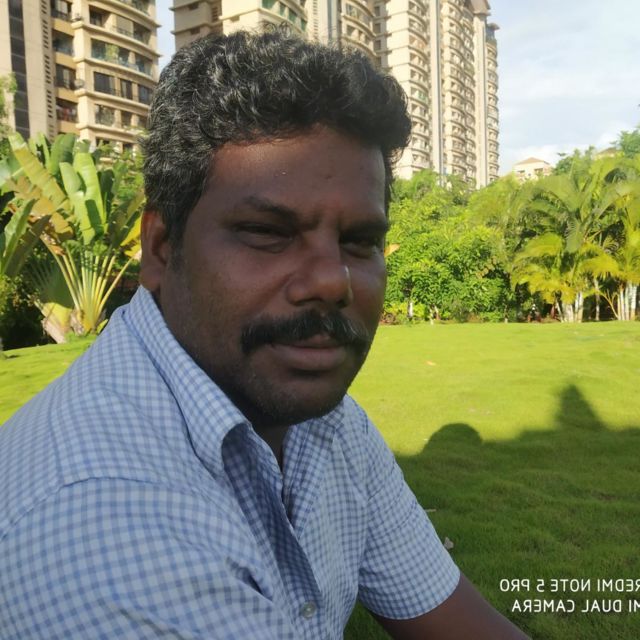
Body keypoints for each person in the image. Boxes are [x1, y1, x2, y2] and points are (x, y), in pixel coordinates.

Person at [0, 30, 528, 639]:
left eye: (360, 241)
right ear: (162, 247)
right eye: (267, 233)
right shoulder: (100, 524)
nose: (332, 280)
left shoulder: (326, 426)